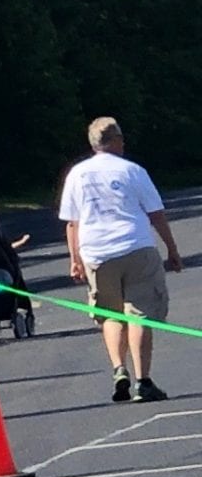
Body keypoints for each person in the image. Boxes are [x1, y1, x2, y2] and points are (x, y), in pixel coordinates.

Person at [59, 117, 183, 403]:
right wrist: (172, 250)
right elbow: (156, 213)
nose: (124, 143)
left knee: (110, 314)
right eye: (121, 138)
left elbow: (71, 222)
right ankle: (143, 380)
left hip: (97, 251)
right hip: (135, 245)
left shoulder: (77, 174)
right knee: (139, 312)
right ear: (113, 141)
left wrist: (74, 259)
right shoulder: (133, 171)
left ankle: (119, 369)